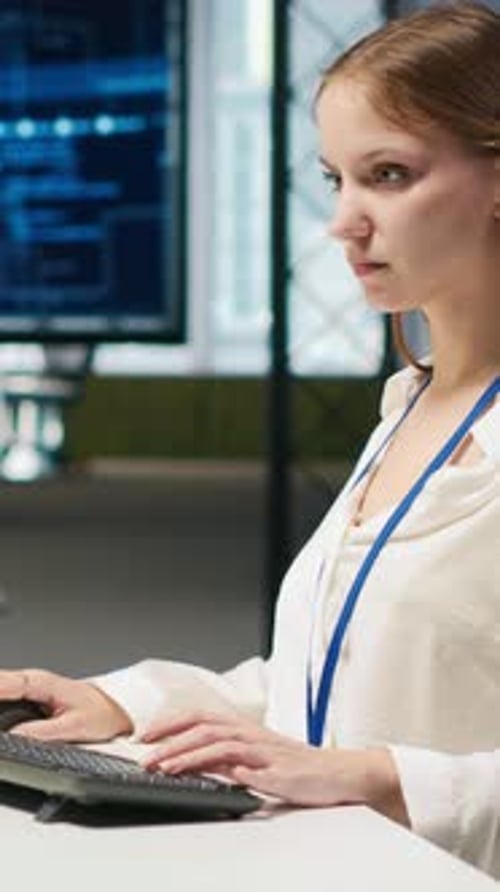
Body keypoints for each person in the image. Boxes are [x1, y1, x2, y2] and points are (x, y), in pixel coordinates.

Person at [1, 0, 500, 877]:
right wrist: (118, 701)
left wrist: (378, 777)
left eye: (387, 174)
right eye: (335, 179)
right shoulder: (409, 413)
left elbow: (358, 754)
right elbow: (322, 686)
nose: (343, 221)